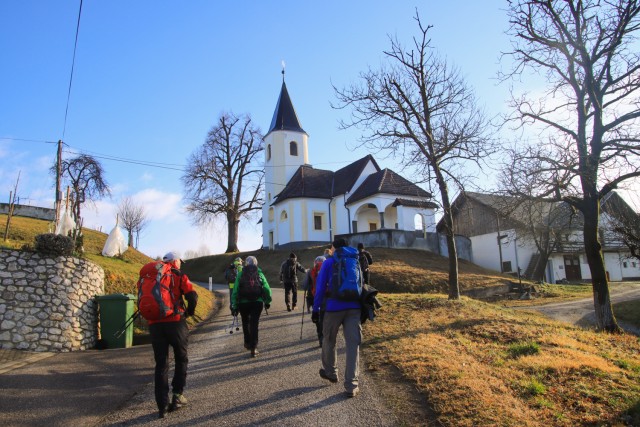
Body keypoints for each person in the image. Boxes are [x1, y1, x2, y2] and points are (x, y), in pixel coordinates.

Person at [312, 238, 363, 398]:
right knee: (352, 345)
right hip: (354, 307)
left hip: (334, 307)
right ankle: (351, 385)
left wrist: (316, 308)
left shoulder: (328, 262)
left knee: (329, 340)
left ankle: (331, 372)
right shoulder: (355, 260)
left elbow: (320, 288)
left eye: (331, 247)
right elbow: (361, 283)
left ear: (334, 247)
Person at [150, 251, 199, 418]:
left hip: (155, 324)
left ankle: (161, 405)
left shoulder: (152, 275)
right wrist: (190, 312)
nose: (180, 264)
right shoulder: (178, 274)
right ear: (175, 261)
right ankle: (177, 395)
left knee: (161, 364)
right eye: (179, 261)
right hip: (175, 321)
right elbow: (192, 295)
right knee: (181, 358)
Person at [231, 255, 272, 357]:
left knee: (245, 322)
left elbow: (235, 291)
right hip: (257, 302)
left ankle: (247, 343)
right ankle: (254, 348)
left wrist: (234, 305)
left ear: (246, 264)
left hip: (243, 303)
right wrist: (267, 301)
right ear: (256, 263)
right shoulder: (259, 273)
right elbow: (267, 289)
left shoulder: (241, 274)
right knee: (254, 323)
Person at [302, 256, 325, 346]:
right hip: (326, 297)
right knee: (326, 316)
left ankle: (321, 337)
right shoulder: (328, 270)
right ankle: (326, 335)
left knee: (318, 317)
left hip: (314, 297)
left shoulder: (311, 272)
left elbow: (304, 285)